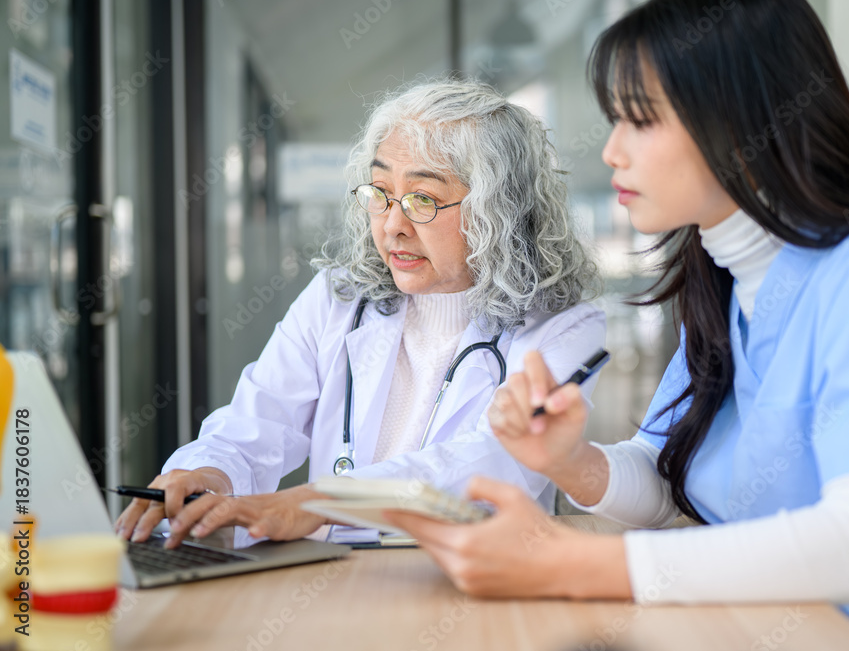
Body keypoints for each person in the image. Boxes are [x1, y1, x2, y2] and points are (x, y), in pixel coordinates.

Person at [385, 0, 849, 650]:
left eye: (640, 121)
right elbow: (669, 480)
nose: (611, 152)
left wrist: (579, 564)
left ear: (742, 121)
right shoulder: (730, 285)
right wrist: (573, 461)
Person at [114, 79, 605, 548]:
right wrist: (208, 472)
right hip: (331, 583)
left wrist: (319, 502)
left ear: (500, 209)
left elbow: (492, 461)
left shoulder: (565, 326)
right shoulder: (337, 299)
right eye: (380, 193)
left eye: (423, 199)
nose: (392, 225)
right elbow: (257, 420)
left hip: (467, 591)